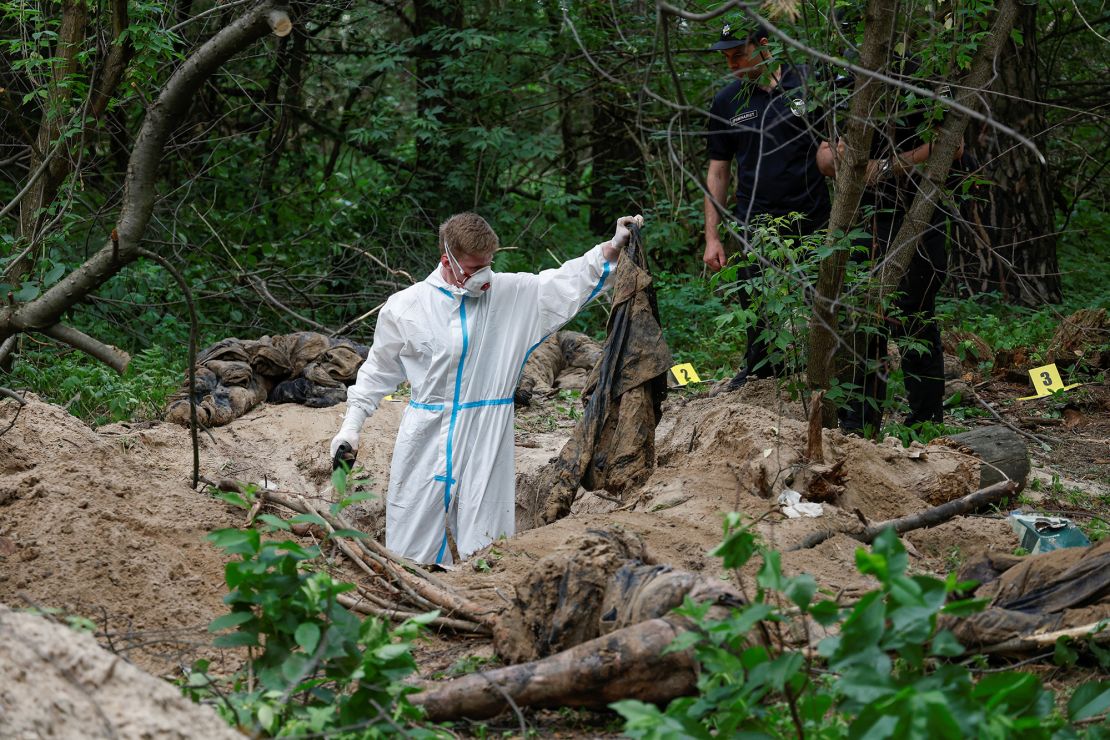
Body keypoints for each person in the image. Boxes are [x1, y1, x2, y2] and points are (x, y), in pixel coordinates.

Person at [329, 212, 644, 565]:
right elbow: (377, 372)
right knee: (410, 541)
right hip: (425, 433)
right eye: (473, 268)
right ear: (447, 260)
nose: (483, 276)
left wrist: (613, 247)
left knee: (487, 546)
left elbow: (564, 283)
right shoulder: (407, 307)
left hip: (487, 433)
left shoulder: (509, 295)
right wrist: (351, 427)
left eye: (487, 266)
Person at [815, 78, 964, 435]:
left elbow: (952, 145)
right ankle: (859, 424)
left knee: (914, 315)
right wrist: (847, 161)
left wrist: (888, 167)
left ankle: (925, 424)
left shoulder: (925, 75)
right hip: (861, 220)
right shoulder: (840, 85)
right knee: (862, 321)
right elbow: (823, 154)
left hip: (916, 214)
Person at [703, 20, 832, 393]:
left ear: (763, 45)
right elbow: (718, 171)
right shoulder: (728, 101)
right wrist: (712, 236)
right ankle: (760, 375)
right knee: (754, 302)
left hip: (813, 216)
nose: (732, 65)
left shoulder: (807, 83)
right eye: (726, 58)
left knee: (823, 302)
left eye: (738, 55)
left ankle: (826, 373)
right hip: (754, 221)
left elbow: (835, 145)